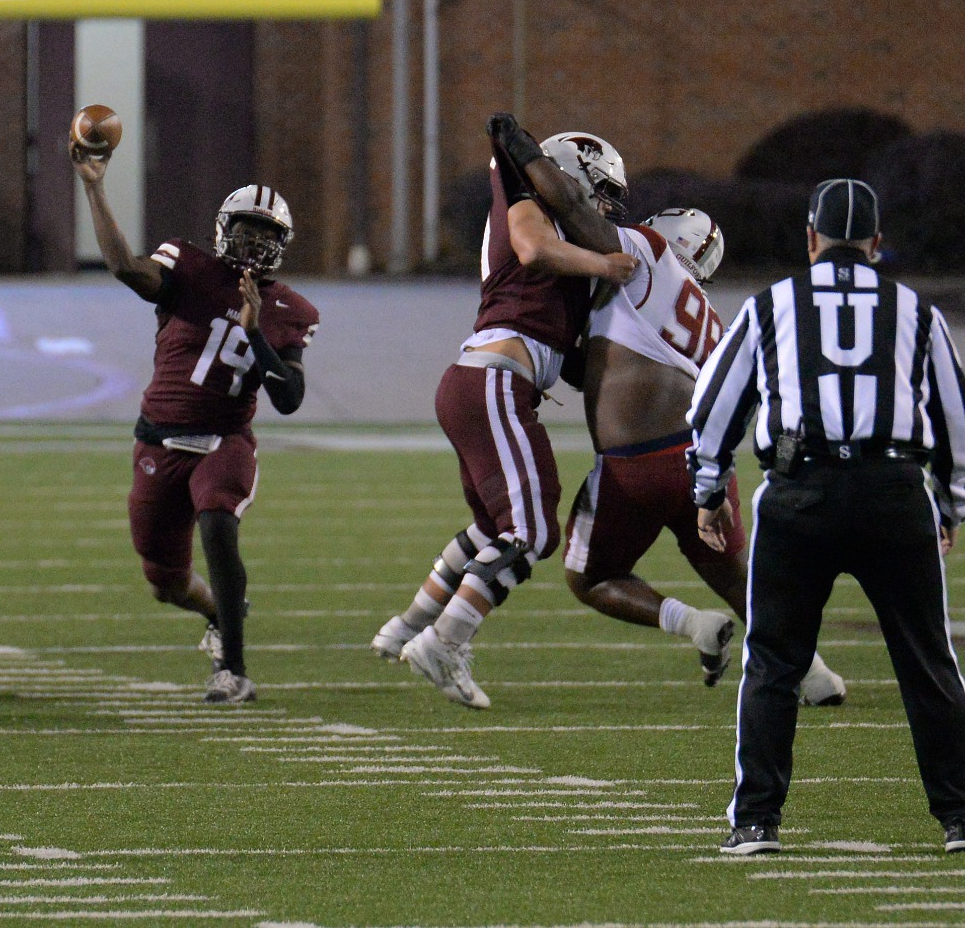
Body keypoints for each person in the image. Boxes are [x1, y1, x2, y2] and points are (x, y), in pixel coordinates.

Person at [497, 125, 847, 703]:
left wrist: (526, 157)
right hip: (706, 464)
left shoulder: (645, 253)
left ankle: (690, 623)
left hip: (637, 463)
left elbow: (579, 213)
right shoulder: (708, 315)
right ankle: (813, 674)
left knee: (591, 578)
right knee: (743, 587)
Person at [691, 178, 965, 856]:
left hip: (798, 492)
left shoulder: (770, 306)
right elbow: (957, 416)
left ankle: (756, 820)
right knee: (928, 662)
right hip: (894, 490)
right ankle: (961, 815)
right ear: (875, 244)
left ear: (810, 240)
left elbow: (713, 406)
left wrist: (706, 491)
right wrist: (951, 501)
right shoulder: (916, 311)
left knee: (774, 661)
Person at [373, 121, 635, 708]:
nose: (603, 209)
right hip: (495, 379)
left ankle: (408, 627)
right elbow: (534, 247)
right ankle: (446, 641)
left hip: (482, 380)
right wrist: (603, 267)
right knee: (533, 531)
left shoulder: (543, 217)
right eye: (599, 192)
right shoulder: (529, 204)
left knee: (494, 531)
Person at [73, 145, 318, 705]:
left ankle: (233, 670)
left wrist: (255, 332)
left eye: (265, 235)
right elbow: (125, 269)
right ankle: (218, 610)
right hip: (158, 437)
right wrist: (94, 187)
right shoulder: (188, 265)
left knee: (217, 524)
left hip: (224, 442)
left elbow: (290, 400)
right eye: (246, 231)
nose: (254, 244)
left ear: (281, 245)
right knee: (164, 581)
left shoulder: (289, 309)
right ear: (222, 230)